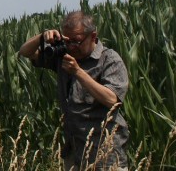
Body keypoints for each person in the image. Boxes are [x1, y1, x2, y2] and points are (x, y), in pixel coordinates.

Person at [19, 11, 130, 171]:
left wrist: (78, 72)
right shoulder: (65, 56)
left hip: (104, 153)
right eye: (67, 41)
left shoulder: (109, 59)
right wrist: (42, 37)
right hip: (74, 151)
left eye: (76, 41)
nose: (71, 47)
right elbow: (25, 52)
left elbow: (112, 99)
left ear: (93, 36)